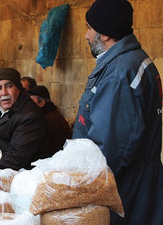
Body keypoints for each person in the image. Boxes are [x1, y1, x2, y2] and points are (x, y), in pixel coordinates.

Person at [72, 0, 163, 224]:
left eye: (89, 28)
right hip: (138, 184)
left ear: (104, 34)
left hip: (125, 192)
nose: (86, 35)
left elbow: (109, 148)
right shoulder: (131, 61)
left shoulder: (119, 72)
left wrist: (83, 188)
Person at [0, 68, 48, 170]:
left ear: (18, 88)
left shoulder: (29, 116)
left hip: (22, 175)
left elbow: (17, 158)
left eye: (9, 86)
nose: (4, 93)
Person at [28, 85, 72, 156]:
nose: (28, 105)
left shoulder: (48, 119)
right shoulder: (48, 115)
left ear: (41, 103)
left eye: (31, 101)